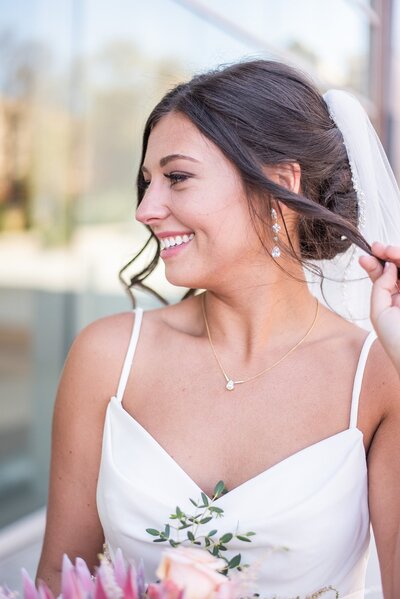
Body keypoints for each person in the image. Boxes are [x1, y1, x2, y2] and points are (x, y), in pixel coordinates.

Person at [35, 60, 400, 599]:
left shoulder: (377, 379)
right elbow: (58, 581)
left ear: (278, 184)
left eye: (176, 177)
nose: (145, 209)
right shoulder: (109, 356)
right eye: (146, 182)